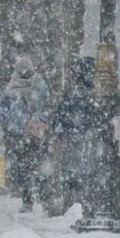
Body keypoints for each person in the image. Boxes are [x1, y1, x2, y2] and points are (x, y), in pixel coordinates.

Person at [0, 54, 49, 212]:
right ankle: (30, 198)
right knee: (28, 167)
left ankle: (35, 198)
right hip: (24, 133)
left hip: (27, 133)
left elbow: (1, 110)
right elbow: (2, 109)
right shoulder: (39, 85)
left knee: (31, 167)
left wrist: (16, 120)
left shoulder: (12, 88)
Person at [51, 56, 97, 216]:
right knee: (80, 169)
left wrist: (61, 127)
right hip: (81, 136)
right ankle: (79, 199)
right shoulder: (87, 92)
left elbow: (63, 111)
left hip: (76, 136)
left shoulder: (77, 92)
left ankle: (75, 199)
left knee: (74, 169)